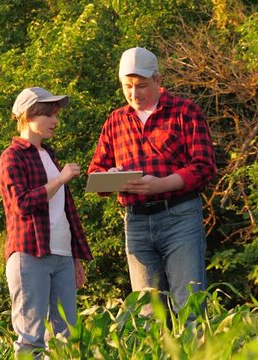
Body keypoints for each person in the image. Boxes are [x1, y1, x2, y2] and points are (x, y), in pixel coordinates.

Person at [88, 47, 216, 316]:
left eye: (141, 86)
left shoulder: (185, 112)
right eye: (127, 86)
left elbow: (204, 167)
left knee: (189, 303)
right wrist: (112, 179)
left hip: (180, 215)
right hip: (135, 221)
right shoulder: (115, 120)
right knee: (147, 312)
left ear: (158, 81)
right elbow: (96, 173)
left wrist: (162, 184)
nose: (134, 94)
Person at [0, 87, 93, 357]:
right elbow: (21, 204)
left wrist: (75, 259)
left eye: (56, 114)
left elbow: (64, 212)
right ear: (28, 115)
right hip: (30, 255)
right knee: (31, 339)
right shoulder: (12, 156)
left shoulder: (49, 155)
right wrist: (60, 179)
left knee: (67, 340)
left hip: (61, 256)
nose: (55, 121)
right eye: (49, 114)